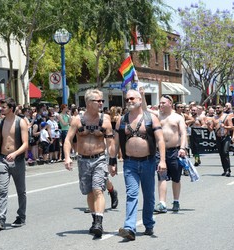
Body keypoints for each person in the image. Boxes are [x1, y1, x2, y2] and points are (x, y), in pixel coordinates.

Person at [113, 89, 166, 241]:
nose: (129, 101)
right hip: (130, 163)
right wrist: (112, 161)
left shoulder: (151, 118)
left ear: (139, 99)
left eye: (131, 98)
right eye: (127, 99)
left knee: (149, 196)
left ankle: (149, 223)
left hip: (148, 162)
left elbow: (160, 140)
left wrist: (162, 161)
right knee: (132, 194)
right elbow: (116, 142)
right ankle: (129, 227)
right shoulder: (121, 120)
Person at [64, 89, 115, 238]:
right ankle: (94, 219)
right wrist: (67, 157)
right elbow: (67, 140)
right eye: (97, 101)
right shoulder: (77, 120)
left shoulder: (105, 120)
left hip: (99, 158)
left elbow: (111, 143)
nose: (101, 103)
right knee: (89, 192)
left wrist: (112, 162)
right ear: (88, 103)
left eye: (102, 101)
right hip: (83, 160)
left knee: (98, 189)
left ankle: (99, 222)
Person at [0, 97, 28, 231]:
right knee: (2, 190)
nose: (2, 109)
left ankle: (21, 216)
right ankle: (1, 219)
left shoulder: (21, 122)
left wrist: (15, 153)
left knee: (21, 191)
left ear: (11, 108)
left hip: (17, 160)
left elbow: (25, 144)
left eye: (4, 107)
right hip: (3, 160)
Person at [154, 94, 187, 213]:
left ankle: (176, 201)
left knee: (176, 178)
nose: (161, 105)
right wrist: (141, 95)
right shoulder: (157, 116)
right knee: (161, 175)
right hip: (160, 151)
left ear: (170, 104)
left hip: (175, 150)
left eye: (163, 103)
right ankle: (162, 203)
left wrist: (182, 148)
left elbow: (183, 133)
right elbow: (143, 109)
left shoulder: (178, 117)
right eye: (160, 103)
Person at [208, 103, 234, 176]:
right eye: (216, 108)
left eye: (219, 108)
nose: (217, 109)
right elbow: (211, 130)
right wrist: (208, 125)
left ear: (223, 108)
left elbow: (232, 127)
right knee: (221, 154)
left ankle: (228, 170)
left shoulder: (227, 117)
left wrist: (225, 126)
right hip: (218, 137)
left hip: (226, 137)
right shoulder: (214, 118)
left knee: (225, 152)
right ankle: (225, 170)